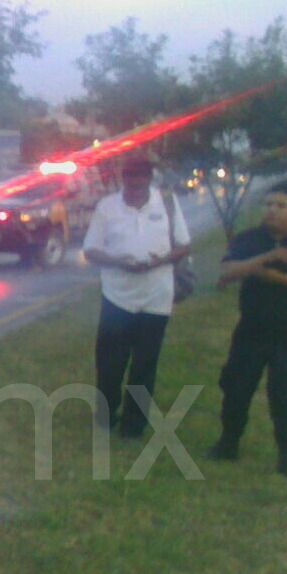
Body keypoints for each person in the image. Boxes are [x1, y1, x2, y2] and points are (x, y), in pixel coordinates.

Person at [206, 183, 287, 480]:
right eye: (268, 204)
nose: (272, 210)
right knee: (236, 390)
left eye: (281, 205)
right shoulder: (250, 239)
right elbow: (227, 271)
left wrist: (278, 278)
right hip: (250, 331)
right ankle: (228, 443)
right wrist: (265, 259)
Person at [81, 155, 192, 437]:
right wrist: (120, 261)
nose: (134, 185)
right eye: (130, 179)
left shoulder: (165, 203)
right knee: (109, 363)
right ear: (123, 179)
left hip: (156, 299)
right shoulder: (107, 207)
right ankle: (106, 416)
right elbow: (91, 250)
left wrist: (160, 260)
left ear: (149, 179)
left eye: (140, 179)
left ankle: (134, 425)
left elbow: (183, 246)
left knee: (145, 365)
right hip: (117, 298)